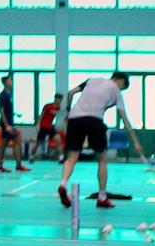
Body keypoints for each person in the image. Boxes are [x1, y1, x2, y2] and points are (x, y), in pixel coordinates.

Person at [56, 72, 146, 209]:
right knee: (102, 159)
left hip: (74, 119)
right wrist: (135, 141)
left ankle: (62, 184)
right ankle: (102, 198)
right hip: (94, 120)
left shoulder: (91, 81)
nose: (121, 89)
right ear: (118, 79)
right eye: (123, 86)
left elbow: (70, 93)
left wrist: (69, 110)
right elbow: (125, 119)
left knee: (72, 157)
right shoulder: (116, 92)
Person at [0, 75, 30, 173]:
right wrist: (6, 125)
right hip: (6, 124)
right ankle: (4, 165)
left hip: (9, 123)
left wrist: (15, 114)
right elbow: (1, 111)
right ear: (6, 82)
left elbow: (7, 110)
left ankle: (3, 165)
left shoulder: (9, 94)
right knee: (8, 143)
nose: (12, 82)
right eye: (10, 80)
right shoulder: (3, 95)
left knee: (8, 143)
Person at [31, 94, 63, 160]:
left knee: (58, 140)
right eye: (59, 99)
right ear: (55, 99)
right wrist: (38, 125)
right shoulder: (48, 106)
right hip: (43, 127)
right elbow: (41, 115)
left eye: (61, 100)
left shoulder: (58, 107)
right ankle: (31, 156)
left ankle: (61, 157)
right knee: (38, 144)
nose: (60, 101)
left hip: (50, 127)